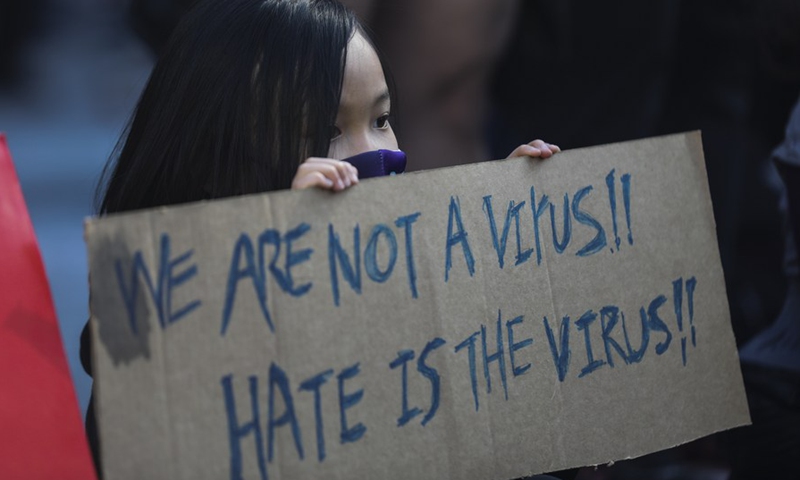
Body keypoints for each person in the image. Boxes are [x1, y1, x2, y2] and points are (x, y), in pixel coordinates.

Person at [80, 0, 559, 476]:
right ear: (216, 157)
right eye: (325, 130)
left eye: (381, 120)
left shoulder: (418, 278)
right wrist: (286, 263)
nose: (371, 156)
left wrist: (505, 262)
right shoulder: (155, 321)